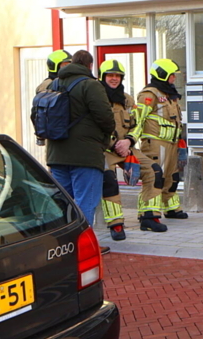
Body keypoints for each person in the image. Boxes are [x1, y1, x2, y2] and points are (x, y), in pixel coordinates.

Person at [44, 50, 115, 228]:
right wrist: (104, 138)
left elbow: (36, 115)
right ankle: (84, 248)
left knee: (61, 206)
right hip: (86, 156)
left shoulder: (53, 84)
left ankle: (61, 247)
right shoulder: (91, 85)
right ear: (90, 66)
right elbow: (106, 118)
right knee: (85, 205)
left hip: (57, 155)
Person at [130, 58, 186, 232]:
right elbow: (138, 119)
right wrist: (131, 140)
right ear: (162, 75)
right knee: (155, 177)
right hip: (155, 143)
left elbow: (176, 121)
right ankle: (148, 214)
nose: (173, 79)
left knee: (172, 176)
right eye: (171, 75)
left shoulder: (170, 95)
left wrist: (181, 141)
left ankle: (170, 207)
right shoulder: (149, 94)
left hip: (172, 143)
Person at [99, 59, 137, 241]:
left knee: (154, 171)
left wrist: (129, 141)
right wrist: (115, 144)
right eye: (110, 75)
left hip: (127, 147)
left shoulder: (128, 99)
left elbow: (138, 124)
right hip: (106, 149)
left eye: (117, 76)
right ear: (103, 76)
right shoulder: (97, 97)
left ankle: (149, 216)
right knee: (109, 180)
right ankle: (116, 224)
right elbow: (96, 127)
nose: (114, 79)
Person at [35, 49, 73, 146]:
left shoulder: (67, 83)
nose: (68, 68)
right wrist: (40, 136)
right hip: (54, 137)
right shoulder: (47, 85)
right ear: (54, 67)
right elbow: (38, 114)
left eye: (69, 65)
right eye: (64, 65)